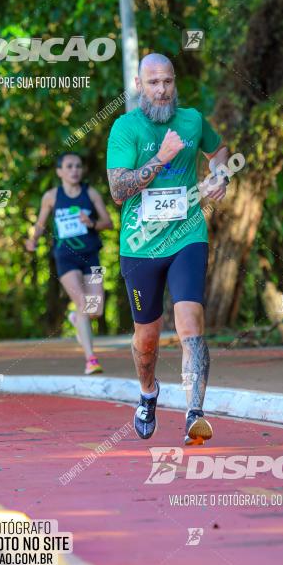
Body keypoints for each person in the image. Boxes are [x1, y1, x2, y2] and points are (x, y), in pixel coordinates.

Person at [106, 52, 230, 445]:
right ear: (140, 86)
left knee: (191, 322)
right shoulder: (126, 129)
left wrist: (219, 173)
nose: (162, 90)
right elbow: (117, 190)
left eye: (168, 82)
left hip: (187, 236)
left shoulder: (191, 120)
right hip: (140, 247)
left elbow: (219, 149)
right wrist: (161, 158)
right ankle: (148, 394)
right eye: (154, 83)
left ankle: (195, 413)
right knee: (147, 337)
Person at [26, 152, 113, 374]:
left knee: (95, 310)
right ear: (59, 172)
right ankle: (91, 360)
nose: (74, 170)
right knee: (84, 302)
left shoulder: (90, 193)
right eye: (69, 166)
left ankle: (76, 318)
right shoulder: (52, 196)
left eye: (77, 166)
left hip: (91, 257)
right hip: (66, 257)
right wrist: (33, 240)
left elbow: (108, 223)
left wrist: (91, 222)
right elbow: (40, 224)